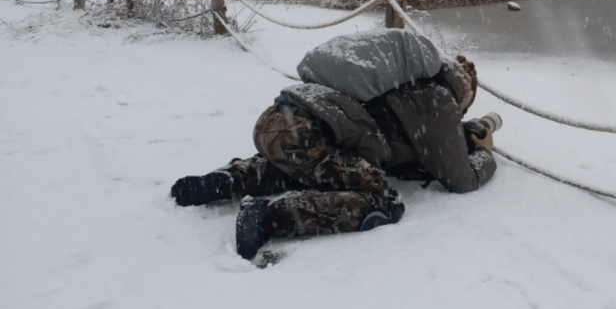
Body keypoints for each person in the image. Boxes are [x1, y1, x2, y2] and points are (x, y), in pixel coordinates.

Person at [170, 29, 498, 259]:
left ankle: (227, 180)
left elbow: (406, 139)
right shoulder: (439, 97)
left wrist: (459, 133)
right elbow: (461, 180)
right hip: (308, 135)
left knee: (310, 167)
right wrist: (484, 154)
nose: (460, 113)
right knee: (385, 201)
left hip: (278, 119)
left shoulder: (406, 82)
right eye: (464, 107)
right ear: (465, 89)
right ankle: (270, 216)